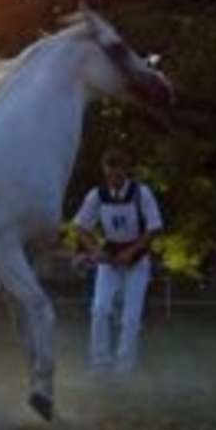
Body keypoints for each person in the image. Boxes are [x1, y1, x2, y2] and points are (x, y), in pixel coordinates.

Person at [73, 147, 163, 373]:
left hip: (137, 261)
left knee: (130, 317)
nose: (113, 179)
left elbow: (154, 228)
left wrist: (132, 251)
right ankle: (100, 363)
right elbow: (80, 227)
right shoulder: (97, 195)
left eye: (118, 174)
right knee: (100, 309)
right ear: (105, 171)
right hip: (109, 259)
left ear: (125, 171)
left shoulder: (141, 193)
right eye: (109, 174)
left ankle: (125, 366)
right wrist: (95, 251)